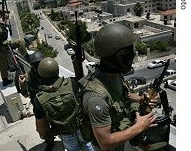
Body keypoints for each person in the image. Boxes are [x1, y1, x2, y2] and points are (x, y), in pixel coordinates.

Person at [81, 23, 161, 151]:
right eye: (125, 52)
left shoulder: (114, 74)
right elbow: (105, 142)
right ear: (110, 56)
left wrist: (141, 99)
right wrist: (140, 126)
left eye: (131, 50)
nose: (131, 55)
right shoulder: (95, 97)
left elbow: (125, 95)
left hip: (120, 136)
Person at [32, 57, 94, 151]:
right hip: (81, 127)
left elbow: (41, 126)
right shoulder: (72, 83)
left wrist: (44, 135)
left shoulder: (39, 99)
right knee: (87, 144)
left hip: (65, 132)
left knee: (73, 149)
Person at [0, 6, 30, 86]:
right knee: (19, 42)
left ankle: (5, 79)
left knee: (2, 62)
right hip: (1, 45)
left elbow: (4, 28)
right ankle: (27, 58)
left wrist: (4, 20)